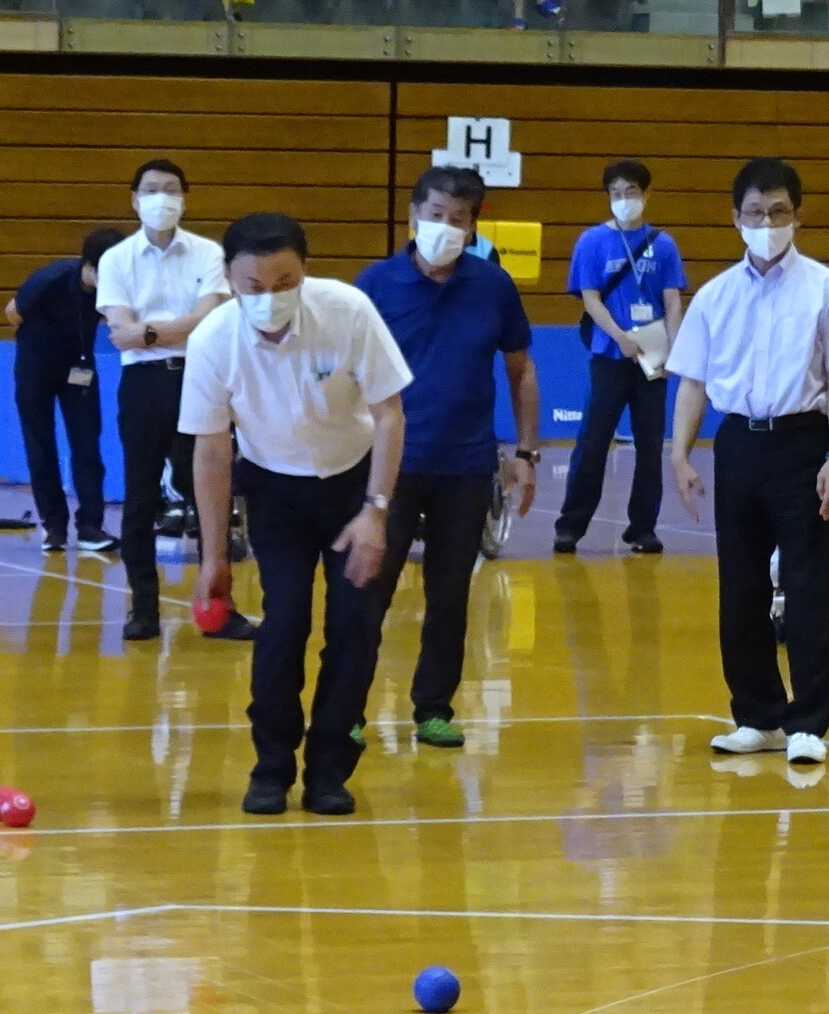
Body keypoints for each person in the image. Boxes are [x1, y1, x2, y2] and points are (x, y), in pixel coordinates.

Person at [181, 213, 411, 817]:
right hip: (275, 494)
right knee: (284, 625)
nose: (269, 297)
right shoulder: (211, 341)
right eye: (253, 286)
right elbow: (211, 447)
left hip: (354, 487)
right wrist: (212, 557)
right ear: (229, 281)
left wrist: (376, 513)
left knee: (355, 627)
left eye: (284, 282)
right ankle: (271, 766)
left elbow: (390, 415)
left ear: (304, 271)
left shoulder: (349, 310)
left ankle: (330, 768)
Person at [667, 158, 829, 768]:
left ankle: (808, 721)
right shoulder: (714, 296)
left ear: (797, 215)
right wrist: (679, 456)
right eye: (755, 212)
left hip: (805, 444)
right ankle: (756, 714)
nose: (767, 222)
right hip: (739, 446)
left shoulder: (827, 289)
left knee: (808, 583)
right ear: (735, 218)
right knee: (741, 586)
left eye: (779, 211)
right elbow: (694, 383)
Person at [353, 166, 541, 750]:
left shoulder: (493, 286)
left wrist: (527, 451)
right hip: (391, 466)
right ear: (414, 215)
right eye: (435, 215)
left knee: (450, 595)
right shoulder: (374, 285)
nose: (444, 226)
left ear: (473, 225)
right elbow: (344, 373)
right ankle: (347, 707)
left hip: (465, 466)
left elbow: (521, 369)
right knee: (368, 591)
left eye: (457, 219)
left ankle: (433, 707)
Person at [96, 157, 252, 642]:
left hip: (199, 378)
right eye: (151, 189)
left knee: (208, 493)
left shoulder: (209, 253)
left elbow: (211, 318)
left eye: (171, 189)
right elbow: (118, 334)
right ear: (134, 200)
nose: (161, 198)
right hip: (142, 385)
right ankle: (142, 609)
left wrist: (147, 330)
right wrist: (171, 329)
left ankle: (219, 607)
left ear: (184, 198)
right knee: (140, 498)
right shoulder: (116, 259)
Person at [556, 157, 688, 556]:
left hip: (652, 360)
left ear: (646, 194)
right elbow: (591, 298)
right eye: (616, 193)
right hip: (610, 355)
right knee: (593, 442)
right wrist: (619, 337)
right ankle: (570, 527)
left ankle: (643, 529)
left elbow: (672, 301)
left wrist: (672, 349)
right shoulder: (591, 242)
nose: (623, 199)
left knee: (650, 446)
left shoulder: (664, 245)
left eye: (631, 192)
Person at [5, 226, 125, 555]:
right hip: (36, 370)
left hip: (80, 371)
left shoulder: (110, 292)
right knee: (40, 448)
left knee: (87, 447)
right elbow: (12, 313)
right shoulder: (51, 279)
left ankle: (90, 527)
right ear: (88, 266)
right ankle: (54, 527)